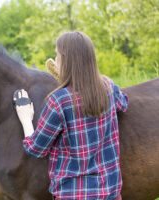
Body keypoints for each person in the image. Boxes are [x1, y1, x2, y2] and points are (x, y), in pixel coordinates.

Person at [13, 31, 128, 200]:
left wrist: (25, 119)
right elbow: (123, 103)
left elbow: (36, 149)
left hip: (74, 195)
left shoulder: (59, 101)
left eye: (57, 54)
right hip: (110, 193)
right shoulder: (108, 87)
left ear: (64, 60)